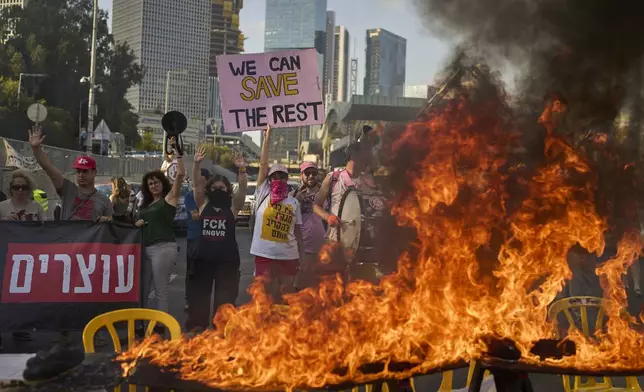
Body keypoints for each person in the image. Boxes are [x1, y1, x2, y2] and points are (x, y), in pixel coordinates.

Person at [186, 147, 248, 330]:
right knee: (199, 298)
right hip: (203, 260)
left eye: (221, 188)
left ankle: (223, 332)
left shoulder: (233, 207)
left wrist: (242, 169)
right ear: (209, 190)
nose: (217, 190)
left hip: (227, 262)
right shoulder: (203, 204)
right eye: (214, 188)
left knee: (225, 301)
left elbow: (243, 188)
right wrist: (196, 165)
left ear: (227, 190)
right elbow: (197, 185)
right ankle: (198, 330)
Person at [250, 126, 304, 299]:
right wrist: (267, 140)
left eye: (282, 177)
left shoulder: (294, 202)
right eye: (275, 177)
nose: (278, 180)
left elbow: (298, 232)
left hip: (288, 255)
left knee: (285, 297)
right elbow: (263, 165)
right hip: (264, 254)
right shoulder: (262, 193)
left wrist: (301, 256)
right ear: (269, 179)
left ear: (287, 179)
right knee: (263, 298)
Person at [136, 137, 185, 313]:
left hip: (163, 248)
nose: (153, 185)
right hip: (145, 249)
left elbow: (180, 175)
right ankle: (141, 325)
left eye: (156, 182)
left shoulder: (169, 199)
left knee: (160, 290)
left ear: (162, 183)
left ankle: (160, 328)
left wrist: (178, 154)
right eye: (150, 184)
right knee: (141, 289)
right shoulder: (145, 205)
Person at [28, 125, 112, 221]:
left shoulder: (104, 201)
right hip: (67, 236)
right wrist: (36, 149)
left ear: (94, 172)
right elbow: (47, 167)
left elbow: (112, 228)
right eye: (78, 171)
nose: (81, 175)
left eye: (85, 171)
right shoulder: (68, 190)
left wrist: (107, 220)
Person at [0, 169, 46, 344]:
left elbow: (47, 229)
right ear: (10, 189)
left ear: (29, 189)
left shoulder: (37, 207)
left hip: (28, 257)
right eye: (16, 187)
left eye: (24, 187)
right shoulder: (2, 207)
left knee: (22, 293)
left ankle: (19, 327)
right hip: (5, 255)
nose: (20, 191)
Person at [292, 161, 326, 290]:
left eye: (314, 173)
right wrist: (297, 201)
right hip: (301, 251)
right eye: (307, 173)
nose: (311, 176)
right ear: (301, 175)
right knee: (299, 287)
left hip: (323, 250)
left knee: (319, 289)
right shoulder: (294, 196)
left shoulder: (326, 194)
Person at [183, 167, 212, 311]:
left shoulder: (212, 196)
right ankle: (189, 299)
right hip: (194, 238)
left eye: (201, 180)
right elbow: (195, 214)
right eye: (196, 181)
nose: (198, 183)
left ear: (207, 181)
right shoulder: (189, 196)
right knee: (192, 271)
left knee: (207, 272)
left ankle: (203, 300)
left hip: (211, 238)